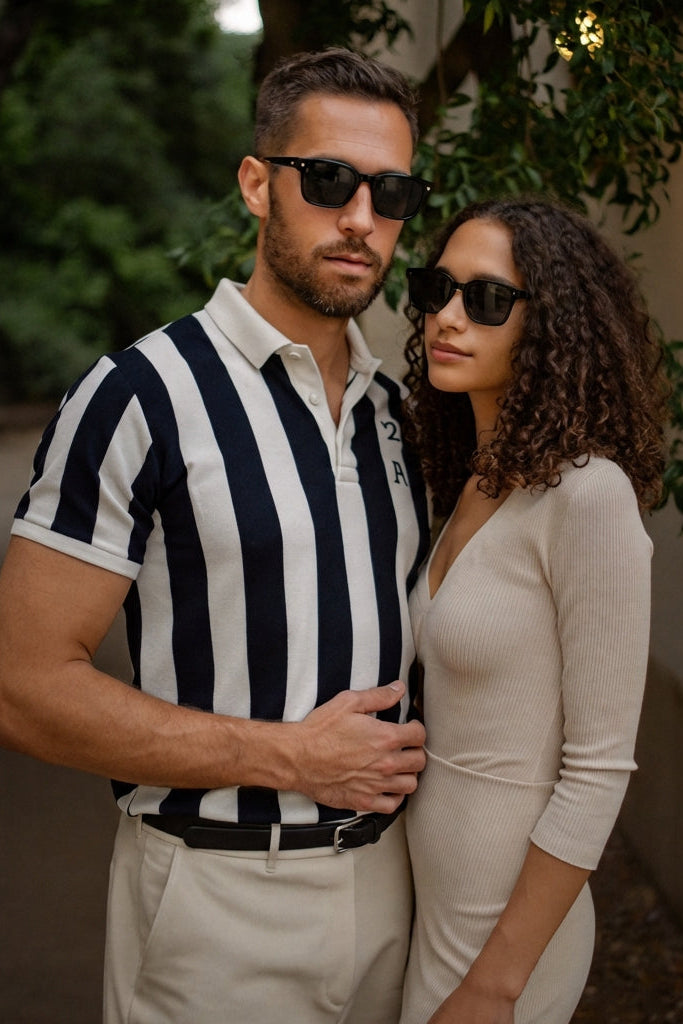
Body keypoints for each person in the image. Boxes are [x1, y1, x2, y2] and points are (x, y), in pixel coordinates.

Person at [0, 48, 432, 1024]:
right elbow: (23, 687)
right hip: (217, 905)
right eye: (328, 180)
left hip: (393, 892)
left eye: (392, 193)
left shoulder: (397, 414)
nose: (361, 218)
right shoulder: (140, 394)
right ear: (256, 184)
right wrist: (288, 757)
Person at [397, 197, 668, 1024]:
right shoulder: (475, 484)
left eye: (484, 299)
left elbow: (597, 774)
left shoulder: (587, 496)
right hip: (430, 904)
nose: (447, 317)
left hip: (503, 936)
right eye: (437, 289)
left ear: (549, 325)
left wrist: (496, 983)